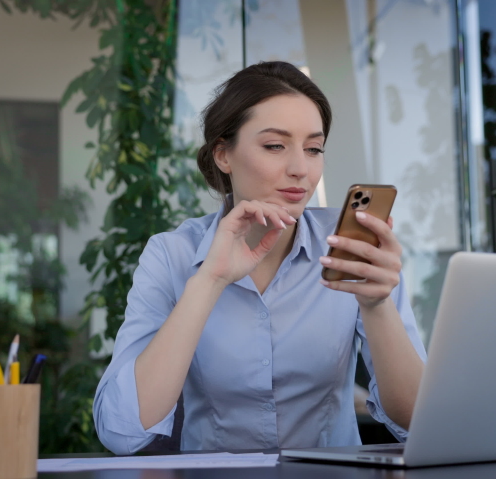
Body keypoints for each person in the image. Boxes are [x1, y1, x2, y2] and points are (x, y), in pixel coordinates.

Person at [93, 61, 426, 455]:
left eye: (314, 149)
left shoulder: (356, 252)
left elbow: (419, 422)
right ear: (223, 155)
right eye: (274, 146)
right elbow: (122, 432)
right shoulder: (172, 255)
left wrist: (377, 305)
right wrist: (210, 280)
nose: (301, 169)